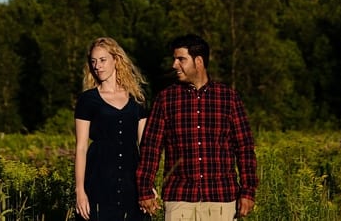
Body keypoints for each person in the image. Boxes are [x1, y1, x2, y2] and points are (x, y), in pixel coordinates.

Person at [136, 34, 257, 220]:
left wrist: (248, 192)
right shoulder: (165, 99)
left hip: (222, 199)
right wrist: (145, 190)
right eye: (174, 59)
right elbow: (150, 148)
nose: (174, 65)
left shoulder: (228, 98)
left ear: (198, 61)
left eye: (181, 59)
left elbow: (244, 148)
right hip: (179, 200)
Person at [74, 37, 153, 221]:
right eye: (93, 62)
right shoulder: (87, 100)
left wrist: (147, 184)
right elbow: (81, 148)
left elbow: (145, 146)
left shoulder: (137, 99)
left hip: (131, 180)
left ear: (116, 60)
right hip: (98, 179)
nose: (97, 66)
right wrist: (80, 191)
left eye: (102, 60)